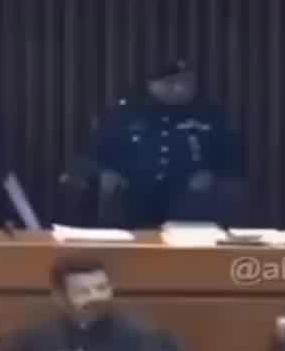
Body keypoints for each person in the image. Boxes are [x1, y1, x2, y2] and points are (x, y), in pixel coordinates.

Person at [0, 260, 189, 351]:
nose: (96, 297)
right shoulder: (36, 333)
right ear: (60, 298)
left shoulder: (138, 332)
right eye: (83, 292)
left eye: (102, 288)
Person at [88, 60, 246, 227]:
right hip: (133, 195)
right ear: (151, 85)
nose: (181, 88)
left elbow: (233, 157)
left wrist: (212, 174)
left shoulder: (211, 115)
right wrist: (106, 172)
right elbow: (96, 155)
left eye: (187, 82)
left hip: (191, 198)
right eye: (171, 83)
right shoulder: (124, 114)